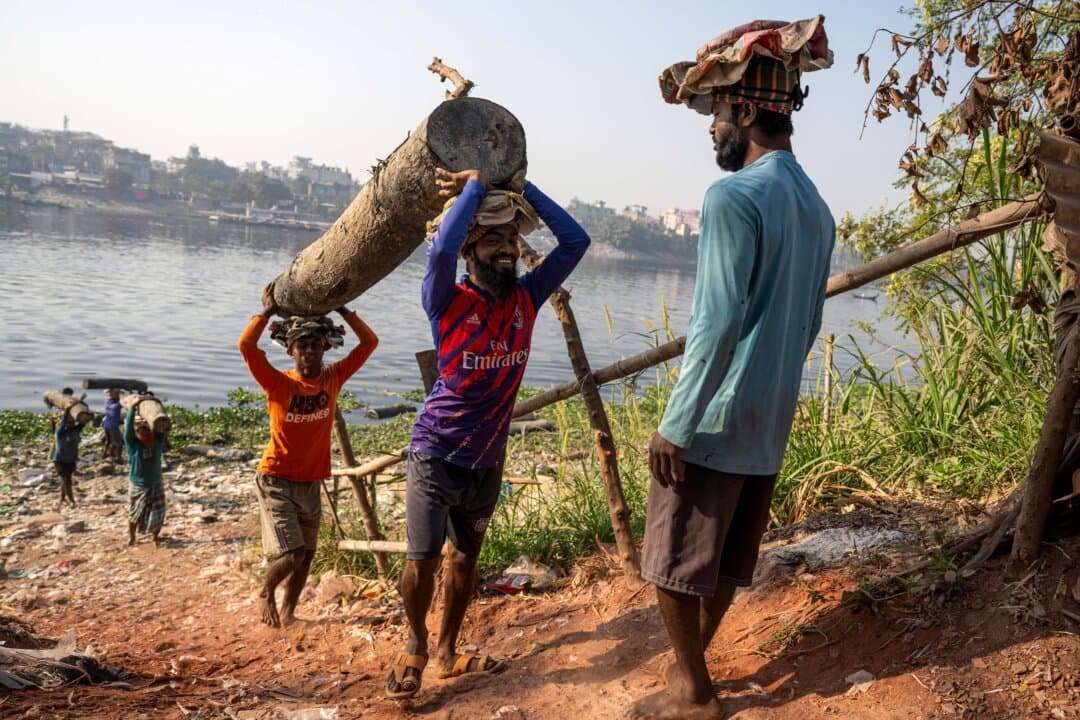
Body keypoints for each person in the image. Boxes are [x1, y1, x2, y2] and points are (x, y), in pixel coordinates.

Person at [631, 18, 835, 720]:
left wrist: (677, 424)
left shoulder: (733, 197)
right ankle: (694, 676)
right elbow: (806, 323)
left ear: (746, 110)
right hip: (769, 415)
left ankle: (691, 691)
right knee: (716, 562)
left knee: (669, 560)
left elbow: (715, 324)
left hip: (715, 415)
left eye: (718, 112)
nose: (711, 127)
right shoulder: (815, 205)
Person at [386, 167, 590, 699]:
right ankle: (414, 647)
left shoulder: (527, 297)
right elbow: (437, 252)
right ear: (470, 248)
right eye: (492, 238)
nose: (506, 248)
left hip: (487, 459)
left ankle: (449, 653)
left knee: (463, 561)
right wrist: (475, 188)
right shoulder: (446, 298)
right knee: (423, 560)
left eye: (512, 239)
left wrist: (527, 191)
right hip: (434, 452)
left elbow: (576, 240)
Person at [238, 286, 378, 628]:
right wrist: (266, 312)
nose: (310, 350)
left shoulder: (333, 377)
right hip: (276, 479)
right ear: (290, 350)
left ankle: (288, 613)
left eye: (316, 344)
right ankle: (265, 592)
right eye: (303, 345)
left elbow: (370, 343)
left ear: (325, 347)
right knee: (293, 553)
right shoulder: (277, 384)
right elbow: (246, 346)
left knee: (308, 556)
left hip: (310, 481)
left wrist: (343, 308)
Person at [123, 399, 167, 546]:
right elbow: (127, 429)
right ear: (137, 431)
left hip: (155, 482)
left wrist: (160, 408)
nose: (145, 431)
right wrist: (132, 408)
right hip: (137, 484)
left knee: (158, 513)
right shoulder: (133, 444)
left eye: (147, 429)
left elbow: (164, 426)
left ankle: (155, 538)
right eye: (142, 429)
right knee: (133, 513)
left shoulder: (158, 442)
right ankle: (132, 537)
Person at [52, 387, 85, 508]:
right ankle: (72, 501)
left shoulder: (75, 431)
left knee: (65, 480)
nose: (70, 423)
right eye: (68, 421)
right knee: (67, 481)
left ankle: (61, 498)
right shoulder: (61, 431)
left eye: (72, 421)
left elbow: (83, 422)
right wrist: (67, 411)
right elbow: (62, 421)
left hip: (71, 460)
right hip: (60, 461)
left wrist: (80, 405)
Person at [102, 388, 124, 464]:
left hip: (106, 423)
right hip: (113, 425)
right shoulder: (118, 403)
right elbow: (122, 404)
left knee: (108, 441)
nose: (110, 394)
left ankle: (104, 454)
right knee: (119, 443)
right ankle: (119, 458)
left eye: (111, 393)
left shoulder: (109, 401)